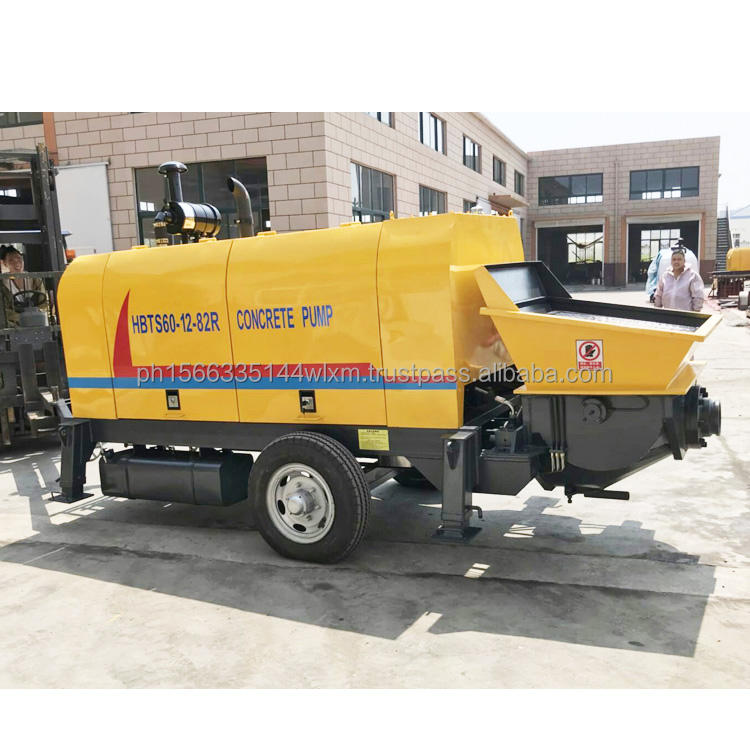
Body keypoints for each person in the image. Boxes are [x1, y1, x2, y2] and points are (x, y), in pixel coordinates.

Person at [0, 245, 48, 326]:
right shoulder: (3, 283)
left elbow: (43, 303)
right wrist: (22, 318)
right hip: (14, 324)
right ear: (5, 263)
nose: (16, 262)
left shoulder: (36, 279)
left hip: (37, 318)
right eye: (11, 260)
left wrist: (36, 314)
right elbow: (4, 310)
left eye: (19, 258)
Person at [653, 247, 705, 312]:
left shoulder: (692, 276)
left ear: (684, 261)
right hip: (667, 314)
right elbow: (658, 294)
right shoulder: (665, 276)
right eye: (674, 259)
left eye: (679, 259)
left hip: (685, 315)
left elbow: (698, 296)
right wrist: (657, 310)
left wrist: (696, 312)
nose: (676, 262)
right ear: (671, 261)